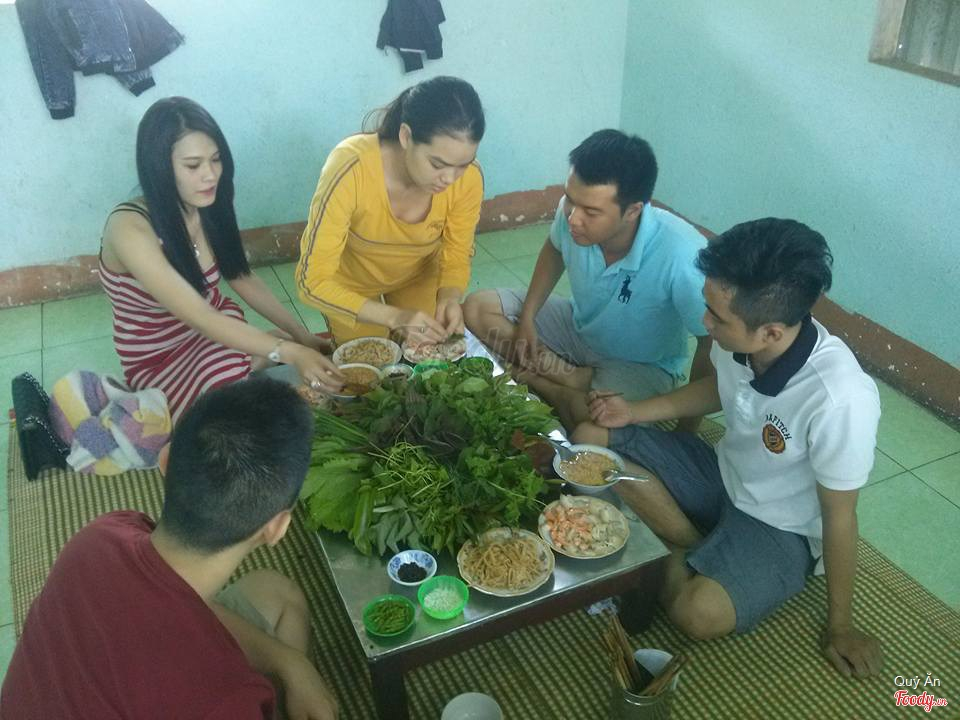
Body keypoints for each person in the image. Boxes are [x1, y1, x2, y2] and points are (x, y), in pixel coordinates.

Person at [573, 218, 884, 677]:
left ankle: (672, 542)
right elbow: (719, 388)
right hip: (722, 473)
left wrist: (841, 625)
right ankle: (687, 541)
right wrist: (633, 412)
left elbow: (840, 517)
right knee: (587, 443)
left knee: (697, 615)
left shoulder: (840, 399)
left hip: (780, 527)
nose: (705, 323)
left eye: (717, 318)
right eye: (708, 307)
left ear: (771, 333)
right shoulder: (740, 338)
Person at [1, 377, 339, 719]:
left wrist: (290, 663)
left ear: (165, 460)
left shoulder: (102, 535)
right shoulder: (225, 698)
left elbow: (176, 601)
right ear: (276, 528)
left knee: (275, 592)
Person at [100, 97, 343, 423]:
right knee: (227, 385)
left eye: (216, 160)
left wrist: (302, 336)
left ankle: (255, 352)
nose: (210, 175)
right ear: (159, 167)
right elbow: (201, 316)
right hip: (161, 357)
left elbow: (241, 276)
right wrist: (290, 351)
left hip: (213, 329)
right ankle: (253, 355)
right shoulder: (129, 227)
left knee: (246, 356)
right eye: (193, 166)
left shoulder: (205, 205)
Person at [462, 129, 713, 432]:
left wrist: (686, 433)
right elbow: (554, 249)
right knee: (476, 308)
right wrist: (527, 317)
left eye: (591, 212)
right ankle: (567, 380)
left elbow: (709, 342)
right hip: (577, 329)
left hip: (641, 366)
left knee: (596, 422)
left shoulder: (683, 255)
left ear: (633, 211)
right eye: (570, 200)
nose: (573, 219)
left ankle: (543, 381)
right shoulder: (572, 213)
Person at [295, 76, 485, 345]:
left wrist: (449, 297)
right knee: (368, 363)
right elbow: (312, 283)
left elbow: (457, 253)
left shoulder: (469, 179)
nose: (450, 178)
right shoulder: (352, 167)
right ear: (406, 136)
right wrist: (395, 317)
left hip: (419, 276)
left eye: (463, 165)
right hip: (352, 286)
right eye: (437, 164)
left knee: (430, 355)